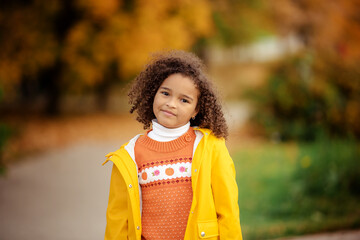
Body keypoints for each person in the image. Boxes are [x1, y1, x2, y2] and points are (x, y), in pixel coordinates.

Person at [103, 50, 242, 240]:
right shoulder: (129, 155)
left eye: (184, 100)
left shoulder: (210, 148)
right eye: (165, 93)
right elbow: (117, 220)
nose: (171, 104)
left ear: (196, 110)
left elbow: (228, 211)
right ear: (154, 93)